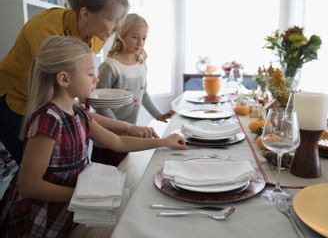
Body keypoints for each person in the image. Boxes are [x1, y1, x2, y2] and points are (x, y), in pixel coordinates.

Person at [0, 36, 187, 237]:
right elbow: (29, 186)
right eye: (90, 73)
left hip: (69, 210)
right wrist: (83, 196)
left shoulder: (77, 112)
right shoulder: (48, 121)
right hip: (39, 219)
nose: (96, 79)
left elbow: (117, 141)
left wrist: (163, 142)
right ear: (64, 79)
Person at [0, 0, 156, 165]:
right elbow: (58, 96)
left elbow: (71, 93)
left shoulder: (96, 34)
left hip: (53, 105)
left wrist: (126, 128)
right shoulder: (48, 30)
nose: (118, 28)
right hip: (15, 102)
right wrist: (124, 128)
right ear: (85, 14)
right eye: (113, 19)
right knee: (36, 170)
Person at [92, 13, 175, 165]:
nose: (140, 43)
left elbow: (144, 93)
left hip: (128, 136)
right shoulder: (110, 66)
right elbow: (99, 104)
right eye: (135, 37)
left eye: (144, 38)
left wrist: (159, 115)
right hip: (108, 139)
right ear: (121, 35)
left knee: (127, 177)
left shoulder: (141, 62)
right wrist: (123, 128)